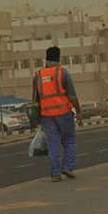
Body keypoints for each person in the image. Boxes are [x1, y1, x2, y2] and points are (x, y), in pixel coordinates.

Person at [33, 46, 82, 182]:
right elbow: (72, 96)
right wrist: (78, 111)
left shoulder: (38, 75)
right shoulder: (63, 73)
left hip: (47, 116)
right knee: (69, 141)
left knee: (53, 144)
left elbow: (35, 100)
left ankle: (55, 173)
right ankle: (67, 167)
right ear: (59, 58)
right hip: (64, 114)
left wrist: (37, 119)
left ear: (46, 59)